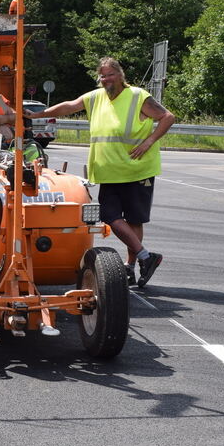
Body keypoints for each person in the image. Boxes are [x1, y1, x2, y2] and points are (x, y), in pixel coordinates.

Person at [32, 57, 176, 286]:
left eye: (110, 74)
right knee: (110, 215)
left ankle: (131, 265)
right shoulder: (96, 97)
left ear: (120, 74)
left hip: (137, 169)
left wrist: (149, 142)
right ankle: (146, 257)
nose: (106, 79)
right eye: (103, 76)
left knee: (134, 220)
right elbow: (70, 106)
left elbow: (167, 117)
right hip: (110, 171)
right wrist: (38, 114)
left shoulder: (137, 96)